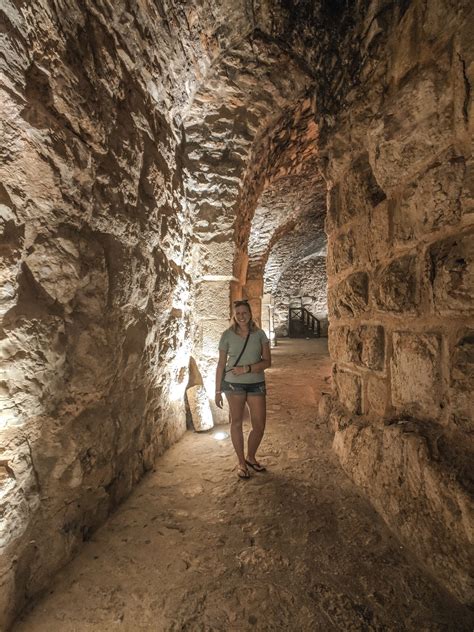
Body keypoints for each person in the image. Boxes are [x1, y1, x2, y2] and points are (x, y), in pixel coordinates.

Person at [215, 299, 271, 479]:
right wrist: (217, 390)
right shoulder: (227, 335)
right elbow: (221, 364)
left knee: (259, 425)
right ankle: (241, 462)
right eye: (238, 313)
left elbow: (267, 361)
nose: (241, 316)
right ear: (234, 315)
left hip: (256, 382)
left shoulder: (260, 334)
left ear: (250, 314)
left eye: (244, 313)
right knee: (236, 422)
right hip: (233, 384)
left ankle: (251, 456)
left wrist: (247, 369)